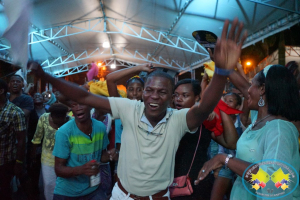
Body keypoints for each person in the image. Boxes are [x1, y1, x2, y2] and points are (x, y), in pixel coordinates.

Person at [28, 18, 247, 199]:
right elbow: (84, 95)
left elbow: (203, 108)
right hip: (121, 195)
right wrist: (47, 76)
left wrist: (221, 72)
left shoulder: (178, 118)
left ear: (171, 98)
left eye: (162, 92)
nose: (154, 96)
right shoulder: (129, 108)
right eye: (149, 90)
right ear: (142, 93)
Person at [196, 65, 300, 199]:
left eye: (252, 85)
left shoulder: (279, 130)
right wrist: (224, 64)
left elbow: (272, 183)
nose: (248, 90)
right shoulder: (259, 119)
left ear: (262, 89)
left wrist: (225, 159)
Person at [172, 79, 238, 200]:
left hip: (196, 186)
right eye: (176, 95)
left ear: (197, 97)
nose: (178, 99)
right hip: (167, 185)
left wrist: (220, 106)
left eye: (185, 95)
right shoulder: (167, 118)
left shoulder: (205, 122)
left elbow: (231, 143)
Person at [52, 100, 117, 199]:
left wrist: (111, 155)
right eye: (74, 105)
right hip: (67, 193)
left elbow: (102, 156)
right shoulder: (64, 132)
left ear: (91, 106)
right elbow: (58, 169)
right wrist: (82, 169)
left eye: (81, 103)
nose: (78, 108)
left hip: (94, 190)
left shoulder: (100, 127)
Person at [31, 103, 71, 200]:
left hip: (67, 159)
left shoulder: (71, 122)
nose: (56, 122)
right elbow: (37, 138)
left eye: (60, 120)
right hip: (47, 159)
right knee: (48, 186)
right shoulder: (44, 118)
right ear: (51, 116)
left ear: (65, 117)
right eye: (54, 119)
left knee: (66, 186)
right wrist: (32, 156)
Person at [210, 92, 244, 200]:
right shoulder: (216, 119)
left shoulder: (241, 121)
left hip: (237, 163)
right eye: (224, 101)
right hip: (222, 166)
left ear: (238, 106)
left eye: (230, 101)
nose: (226, 103)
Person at [0, 78, 26, 200]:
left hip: (4, 162)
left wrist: (19, 163)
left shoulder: (16, 112)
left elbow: (21, 139)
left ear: (1, 91)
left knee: (4, 192)